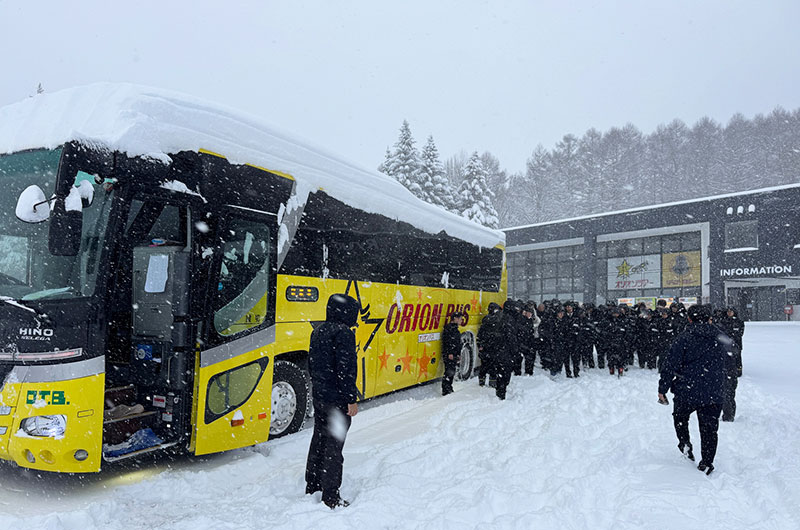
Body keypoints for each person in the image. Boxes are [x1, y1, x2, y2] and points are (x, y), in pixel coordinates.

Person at [658, 304, 734, 475]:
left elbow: (670, 365)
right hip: (713, 390)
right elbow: (731, 359)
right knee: (709, 428)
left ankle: (684, 443)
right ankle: (707, 461)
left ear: (689, 319)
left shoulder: (683, 338)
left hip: (687, 389)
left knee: (680, 418)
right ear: (709, 318)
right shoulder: (721, 337)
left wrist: (663, 388)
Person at [305, 293, 360, 509]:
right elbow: (345, 370)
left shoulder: (317, 331)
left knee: (318, 440)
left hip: (320, 396)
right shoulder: (344, 333)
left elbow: (313, 364)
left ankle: (313, 485)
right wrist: (350, 399)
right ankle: (331, 496)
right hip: (337, 400)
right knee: (334, 447)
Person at [716, 307, 745, 421]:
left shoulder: (738, 322)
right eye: (728, 312)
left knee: (729, 392)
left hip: (733, 351)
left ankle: (729, 414)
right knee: (726, 392)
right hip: (724, 363)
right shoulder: (722, 322)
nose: (729, 313)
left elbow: (739, 333)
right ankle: (727, 414)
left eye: (731, 311)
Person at [494, 300, 519, 400]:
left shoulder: (501, 317)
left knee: (501, 372)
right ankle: (501, 393)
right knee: (505, 373)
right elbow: (511, 337)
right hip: (505, 350)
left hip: (500, 349)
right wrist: (515, 350)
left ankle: (500, 391)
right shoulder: (508, 319)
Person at [477, 302, 502, 386]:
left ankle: (481, 382)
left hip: (485, 346)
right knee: (493, 366)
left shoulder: (485, 321)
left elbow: (480, 335)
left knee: (483, 366)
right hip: (493, 347)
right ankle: (492, 382)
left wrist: (480, 345)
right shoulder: (497, 320)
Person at [441, 312, 463, 396]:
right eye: (460, 318)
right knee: (449, 371)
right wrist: (450, 353)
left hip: (453, 353)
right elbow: (448, 342)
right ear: (455, 319)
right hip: (449, 354)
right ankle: (446, 389)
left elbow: (457, 343)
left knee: (452, 371)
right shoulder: (449, 329)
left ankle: (449, 387)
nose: (461, 320)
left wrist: (458, 353)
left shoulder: (455, 329)